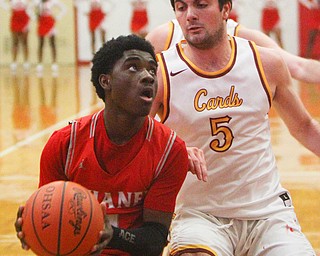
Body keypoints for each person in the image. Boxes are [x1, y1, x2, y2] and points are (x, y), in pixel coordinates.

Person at [150, 0, 320, 255]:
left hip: (269, 213)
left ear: (226, 9)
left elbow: (304, 127)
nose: (190, 15)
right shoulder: (160, 72)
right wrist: (171, 151)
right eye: (182, 8)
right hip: (200, 215)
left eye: (201, 5)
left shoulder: (265, 62)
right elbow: (134, 138)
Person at [15, 34, 189, 256]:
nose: (148, 76)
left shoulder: (170, 150)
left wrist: (111, 235)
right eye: (133, 67)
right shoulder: (65, 143)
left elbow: (156, 239)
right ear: (106, 81)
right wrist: (34, 225)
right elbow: (52, 220)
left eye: (152, 70)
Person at [146, 14, 320, 85]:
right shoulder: (163, 37)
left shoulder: (243, 36)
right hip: (183, 149)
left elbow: (299, 67)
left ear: (225, 7)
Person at [33, 0, 66, 73]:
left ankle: (54, 63)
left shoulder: (53, 2)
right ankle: (40, 63)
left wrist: (57, 17)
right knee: (41, 44)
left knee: (52, 43)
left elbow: (63, 8)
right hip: (42, 22)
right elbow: (29, 9)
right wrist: (34, 17)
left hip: (50, 23)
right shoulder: (37, 2)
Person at [0, 0, 33, 72]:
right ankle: (14, 62)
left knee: (25, 42)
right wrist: (8, 8)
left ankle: (26, 62)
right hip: (15, 18)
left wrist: (29, 9)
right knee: (15, 42)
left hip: (24, 18)